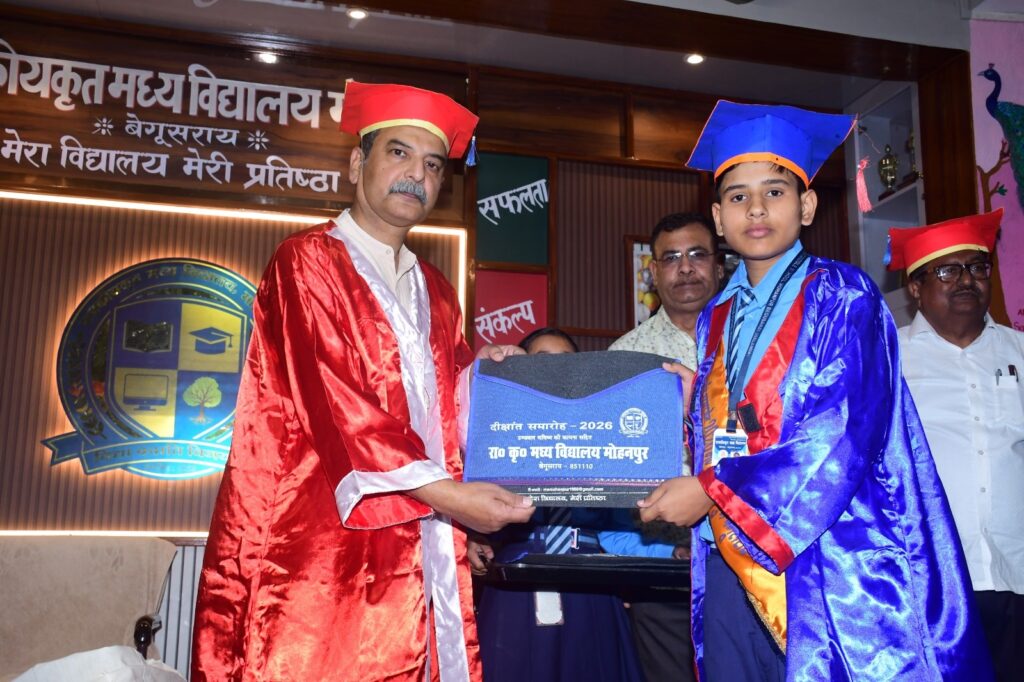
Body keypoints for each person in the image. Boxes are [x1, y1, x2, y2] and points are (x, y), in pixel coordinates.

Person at [191, 81, 535, 682]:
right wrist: (452, 500)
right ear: (356, 164)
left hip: (420, 535)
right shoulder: (306, 261)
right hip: (317, 540)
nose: (417, 175)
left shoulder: (437, 290)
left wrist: (484, 374)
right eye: (399, 153)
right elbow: (338, 402)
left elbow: (442, 411)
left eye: (433, 165)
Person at [637, 100, 993, 680]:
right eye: (738, 197)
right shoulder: (716, 317)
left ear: (806, 207)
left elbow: (841, 431)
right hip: (727, 552)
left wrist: (712, 491)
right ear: (719, 218)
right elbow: (746, 418)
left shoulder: (844, 296)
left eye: (775, 192)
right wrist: (692, 403)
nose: (756, 208)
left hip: (824, 555)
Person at [890, 208, 1024, 682]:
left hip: (1015, 572)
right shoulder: (889, 358)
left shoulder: (1020, 352)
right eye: (947, 271)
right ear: (915, 287)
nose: (967, 280)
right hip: (929, 580)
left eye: (977, 267)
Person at [468, 327, 645, 682]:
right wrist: (472, 536)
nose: (555, 370)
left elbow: (623, 525)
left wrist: (631, 571)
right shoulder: (496, 432)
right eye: (541, 361)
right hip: (517, 579)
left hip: (591, 583)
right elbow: (471, 501)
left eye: (566, 361)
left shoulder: (605, 435)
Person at [602, 212, 724, 682]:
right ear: (653, 272)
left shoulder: (755, 344)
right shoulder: (624, 359)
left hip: (752, 565)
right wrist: (636, 561)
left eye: (697, 255)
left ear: (718, 265)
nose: (685, 267)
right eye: (671, 258)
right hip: (664, 571)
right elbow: (611, 474)